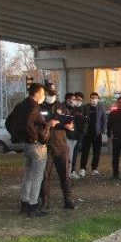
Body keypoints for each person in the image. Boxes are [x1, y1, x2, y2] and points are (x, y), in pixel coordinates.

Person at [16, 83, 59, 217]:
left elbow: (11, 121)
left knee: (28, 174)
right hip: (37, 146)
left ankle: (24, 202)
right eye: (42, 93)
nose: (44, 96)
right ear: (36, 94)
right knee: (37, 176)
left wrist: (22, 136)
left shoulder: (21, 105)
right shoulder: (34, 107)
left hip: (27, 145)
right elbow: (32, 124)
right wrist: (45, 129)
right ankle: (33, 205)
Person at [38, 83, 76, 210]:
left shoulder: (62, 106)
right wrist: (47, 124)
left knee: (65, 175)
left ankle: (68, 200)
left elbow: (70, 122)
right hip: (45, 146)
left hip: (61, 145)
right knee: (44, 176)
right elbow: (35, 124)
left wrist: (71, 127)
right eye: (48, 94)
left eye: (53, 94)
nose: (51, 96)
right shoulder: (38, 107)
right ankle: (44, 201)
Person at [79, 92, 107, 176]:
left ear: (98, 99)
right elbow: (81, 119)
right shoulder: (85, 107)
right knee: (85, 152)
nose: (94, 99)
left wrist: (102, 130)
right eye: (92, 97)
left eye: (95, 97)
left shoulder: (100, 107)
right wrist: (83, 130)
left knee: (97, 152)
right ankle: (82, 168)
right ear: (90, 98)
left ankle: (94, 168)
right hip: (87, 133)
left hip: (97, 133)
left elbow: (104, 119)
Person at [67, 91, 86, 179]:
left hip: (79, 135)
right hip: (70, 135)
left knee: (74, 154)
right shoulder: (70, 109)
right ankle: (69, 171)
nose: (77, 101)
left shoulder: (83, 109)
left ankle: (72, 170)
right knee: (70, 154)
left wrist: (82, 132)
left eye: (79, 100)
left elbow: (85, 122)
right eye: (76, 99)